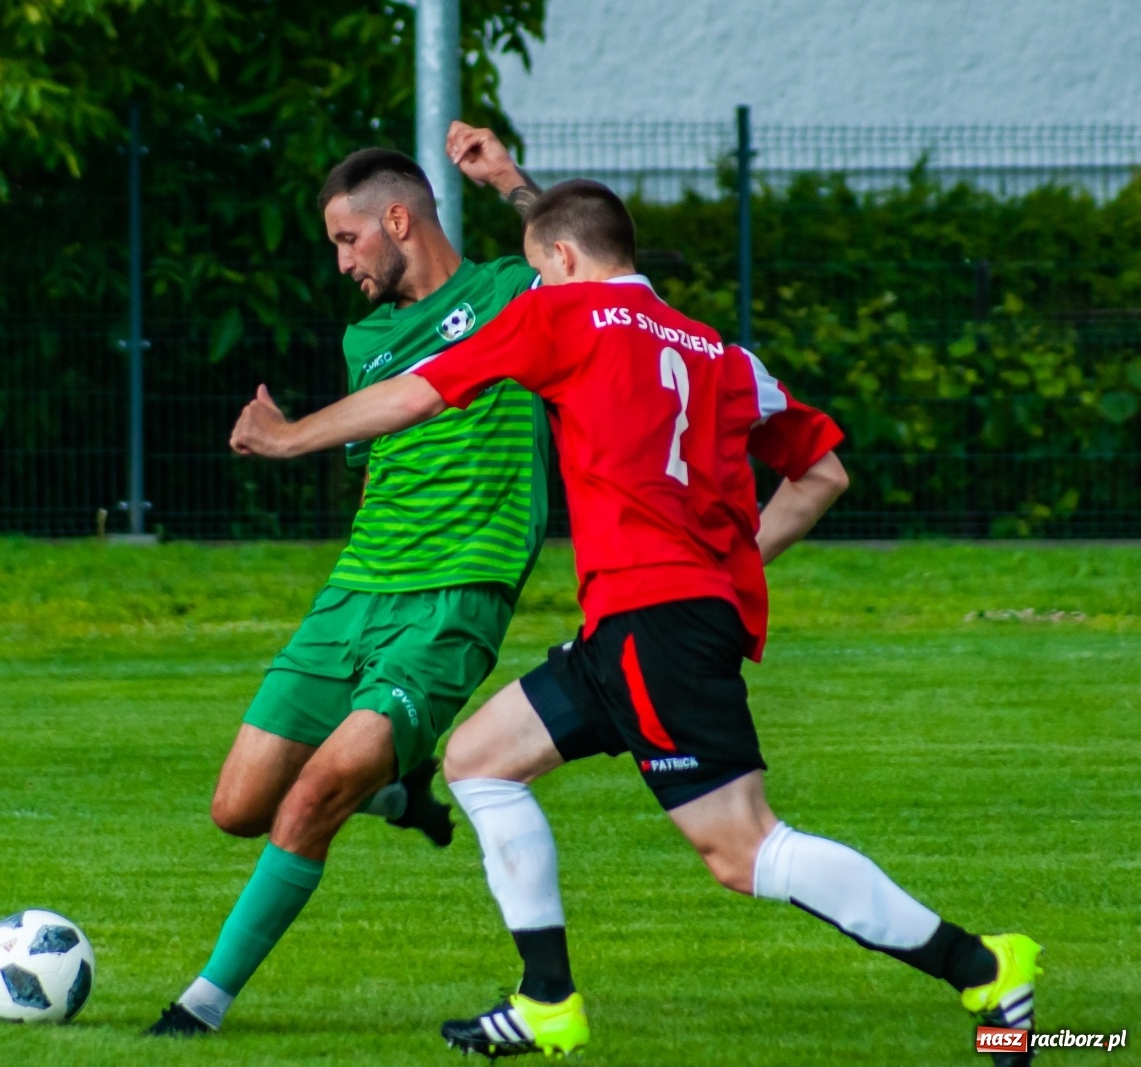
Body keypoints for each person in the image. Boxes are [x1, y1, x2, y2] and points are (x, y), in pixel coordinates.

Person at [228, 179, 1041, 1065]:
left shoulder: (563, 317)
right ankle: (547, 1003)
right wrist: (725, 572)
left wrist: (285, 435)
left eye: (540, 269)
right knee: (478, 760)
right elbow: (824, 474)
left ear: (564, 262)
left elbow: (417, 394)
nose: (535, 285)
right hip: (638, 624)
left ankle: (985, 965)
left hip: (655, 627)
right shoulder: (718, 352)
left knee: (745, 850)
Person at [146, 124, 556, 1037]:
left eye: (345, 240)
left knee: (310, 798)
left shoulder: (514, 292)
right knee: (237, 808)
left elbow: (594, 261)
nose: (341, 264)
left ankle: (199, 1008)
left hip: (456, 597)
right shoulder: (365, 336)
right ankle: (397, 788)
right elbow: (381, 456)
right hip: (355, 591)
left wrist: (510, 182)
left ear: (398, 220)